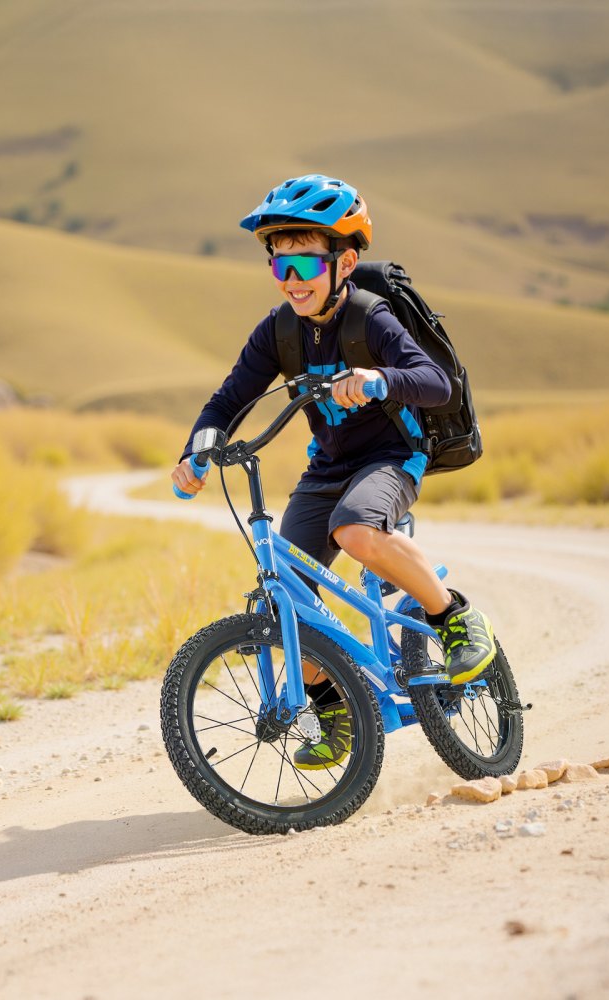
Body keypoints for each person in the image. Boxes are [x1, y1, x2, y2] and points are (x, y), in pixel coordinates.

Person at [171, 174, 496, 769]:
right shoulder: (278, 331)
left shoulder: (370, 318)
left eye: (306, 265)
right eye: (280, 267)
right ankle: (337, 715)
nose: (292, 281)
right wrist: (199, 448)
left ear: (344, 261)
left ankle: (453, 617)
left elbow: (435, 382)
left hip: (392, 458)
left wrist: (379, 379)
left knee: (357, 530)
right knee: (287, 604)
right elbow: (228, 401)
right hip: (327, 468)